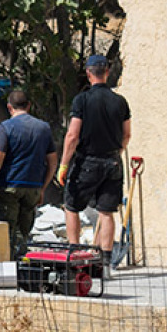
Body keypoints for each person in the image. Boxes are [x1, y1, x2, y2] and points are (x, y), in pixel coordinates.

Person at [57, 54, 132, 267]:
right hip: (113, 162)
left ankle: (74, 253)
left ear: (89, 73)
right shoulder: (120, 102)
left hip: (87, 162)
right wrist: (117, 151)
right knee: (106, 212)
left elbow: (72, 135)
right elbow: (126, 135)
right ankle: (105, 261)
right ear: (107, 72)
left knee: (71, 206)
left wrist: (64, 164)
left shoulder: (82, 100)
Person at [0, 90, 58, 259]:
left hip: (10, 186)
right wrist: (42, 188)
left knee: (6, 232)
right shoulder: (43, 128)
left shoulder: (5, 128)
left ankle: (8, 268)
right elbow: (52, 162)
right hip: (32, 188)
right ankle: (22, 265)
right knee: (23, 233)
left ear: (10, 107)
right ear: (29, 106)